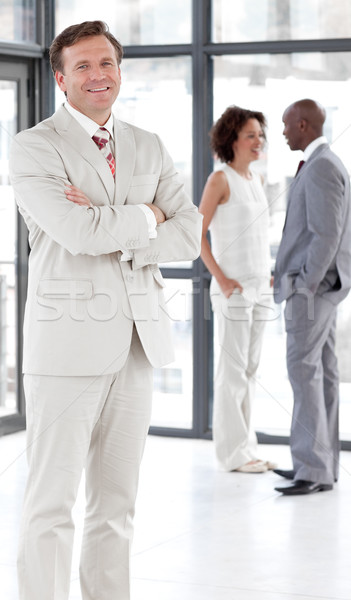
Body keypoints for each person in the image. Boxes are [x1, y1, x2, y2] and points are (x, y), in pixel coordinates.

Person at [9, 20, 202, 600]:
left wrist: (114, 222)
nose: (98, 75)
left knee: (117, 505)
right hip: (66, 345)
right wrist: (147, 215)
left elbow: (190, 236)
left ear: (120, 71)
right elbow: (74, 231)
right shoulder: (34, 146)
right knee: (51, 504)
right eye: (84, 66)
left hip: (138, 347)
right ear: (61, 78)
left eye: (107, 64)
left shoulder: (147, 143)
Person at [273, 99, 351, 496]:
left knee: (304, 374)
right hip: (323, 289)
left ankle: (311, 468)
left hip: (313, 291)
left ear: (303, 124)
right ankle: (321, 465)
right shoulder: (325, 162)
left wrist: (305, 283)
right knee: (322, 375)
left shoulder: (321, 166)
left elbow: (326, 234)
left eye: (286, 125)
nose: (283, 132)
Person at [199, 105, 275, 474]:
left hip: (261, 288)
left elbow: (258, 236)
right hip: (234, 292)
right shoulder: (220, 179)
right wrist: (223, 279)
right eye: (251, 134)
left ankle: (247, 448)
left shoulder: (256, 180)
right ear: (232, 139)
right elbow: (196, 237)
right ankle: (232, 454)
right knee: (232, 373)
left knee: (250, 372)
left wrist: (267, 273)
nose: (258, 140)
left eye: (260, 134)